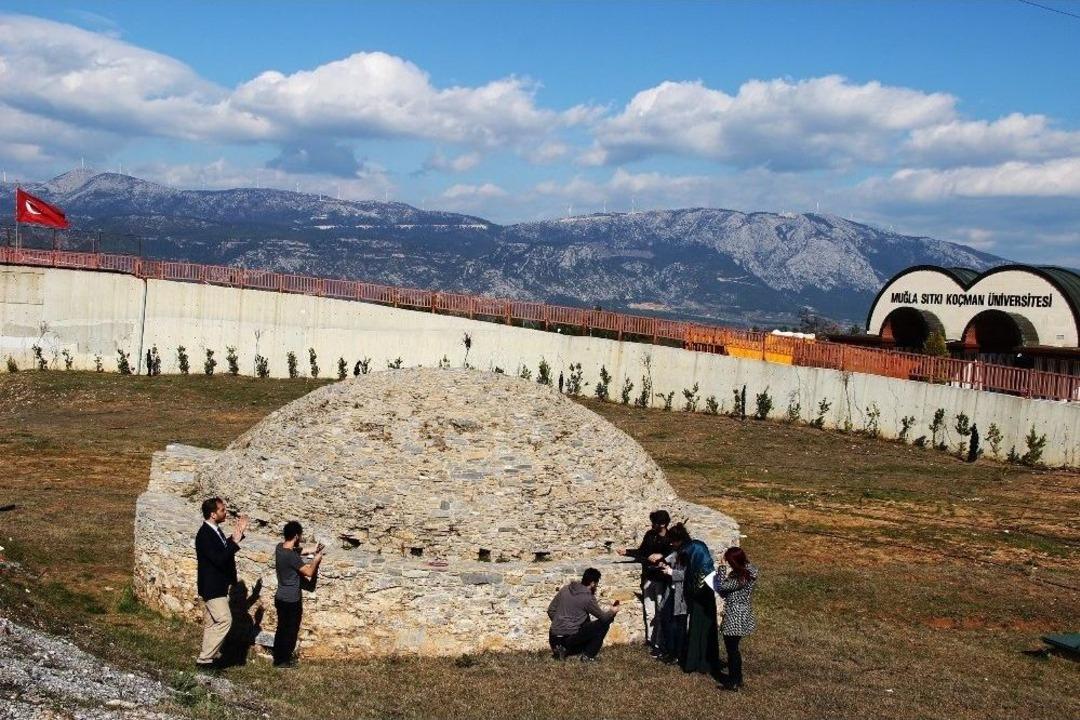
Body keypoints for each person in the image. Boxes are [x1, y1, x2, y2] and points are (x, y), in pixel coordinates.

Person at [195, 497, 248, 671]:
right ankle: (205, 659)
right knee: (225, 620)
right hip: (212, 587)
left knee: (212, 624)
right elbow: (218, 559)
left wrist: (236, 536)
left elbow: (223, 548)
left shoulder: (215, 531)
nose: (225, 513)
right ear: (212, 514)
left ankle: (206, 660)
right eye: (222, 510)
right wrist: (234, 542)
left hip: (217, 585)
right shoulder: (204, 535)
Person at [666, 523, 719, 676]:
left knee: (700, 627)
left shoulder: (692, 549)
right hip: (699, 592)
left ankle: (699, 661)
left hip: (702, 592)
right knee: (698, 627)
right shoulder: (692, 548)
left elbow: (703, 570)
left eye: (673, 541)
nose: (671, 545)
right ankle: (698, 660)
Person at [273, 521, 325, 668]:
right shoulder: (291, 557)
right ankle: (283, 661)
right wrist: (315, 560)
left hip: (280, 596)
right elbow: (308, 572)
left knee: (281, 628)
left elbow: (297, 550)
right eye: (300, 536)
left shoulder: (279, 548)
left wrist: (312, 549)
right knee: (290, 631)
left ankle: (278, 658)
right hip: (291, 599)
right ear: (296, 536)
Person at [621, 509, 672, 655]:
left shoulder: (669, 539)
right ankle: (651, 639)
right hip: (649, 577)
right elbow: (642, 552)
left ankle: (659, 642)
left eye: (654, 523)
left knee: (660, 612)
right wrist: (627, 552)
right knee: (649, 611)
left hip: (661, 579)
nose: (652, 525)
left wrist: (661, 557)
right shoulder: (650, 535)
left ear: (662, 524)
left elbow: (674, 555)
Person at [547, 568, 620, 662]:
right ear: (592, 583)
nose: (596, 587)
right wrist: (613, 611)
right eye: (596, 584)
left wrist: (560, 623)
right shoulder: (588, 597)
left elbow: (551, 610)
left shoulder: (565, 589)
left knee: (585, 620)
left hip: (553, 639)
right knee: (604, 624)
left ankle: (562, 650)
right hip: (570, 639)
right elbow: (603, 618)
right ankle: (588, 656)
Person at [713, 547, 758, 691]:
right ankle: (737, 678)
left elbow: (722, 586)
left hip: (735, 615)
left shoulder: (741, 577)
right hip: (742, 611)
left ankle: (733, 681)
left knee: (732, 650)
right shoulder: (749, 571)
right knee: (734, 649)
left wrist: (721, 569)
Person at [654, 547, 688, 664]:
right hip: (671, 592)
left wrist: (671, 572)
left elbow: (686, 575)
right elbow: (666, 560)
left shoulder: (688, 556)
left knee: (678, 626)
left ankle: (678, 654)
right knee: (666, 621)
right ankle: (670, 651)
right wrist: (663, 564)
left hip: (681, 596)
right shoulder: (674, 554)